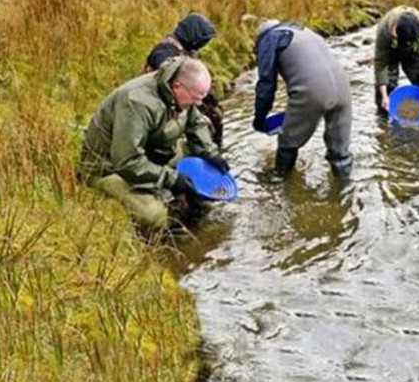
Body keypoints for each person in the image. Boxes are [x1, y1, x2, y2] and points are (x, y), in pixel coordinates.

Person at [77, 57, 229, 229]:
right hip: (109, 167)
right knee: (154, 216)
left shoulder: (180, 89)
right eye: (196, 97)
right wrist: (171, 179)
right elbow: (127, 161)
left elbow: (195, 123)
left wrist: (210, 153)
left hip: (150, 151)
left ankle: (195, 208)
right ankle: (173, 229)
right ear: (177, 87)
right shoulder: (136, 102)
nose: (199, 103)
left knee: (200, 163)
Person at [252, 19, 353, 181]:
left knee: (288, 141)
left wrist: (259, 118)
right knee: (340, 152)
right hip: (344, 89)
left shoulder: (269, 38)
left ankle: (280, 180)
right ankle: (345, 192)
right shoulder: (306, 32)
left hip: (313, 91)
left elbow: (266, 84)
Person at [143, 13, 224, 147]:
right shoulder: (165, 51)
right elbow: (169, 79)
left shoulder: (186, 49)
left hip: (179, 97)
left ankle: (213, 150)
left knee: (216, 112)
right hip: (162, 102)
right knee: (207, 122)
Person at [373, 6, 419, 115]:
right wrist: (384, 96)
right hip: (390, 51)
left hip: (413, 51)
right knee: (387, 87)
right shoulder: (384, 30)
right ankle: (383, 121)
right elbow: (380, 63)